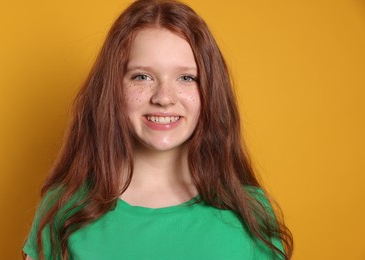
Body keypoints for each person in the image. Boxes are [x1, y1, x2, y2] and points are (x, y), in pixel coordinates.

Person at [23, 0, 293, 259]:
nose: (164, 97)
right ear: (114, 88)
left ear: (210, 91)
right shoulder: (64, 210)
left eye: (186, 78)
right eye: (142, 76)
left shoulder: (250, 212)